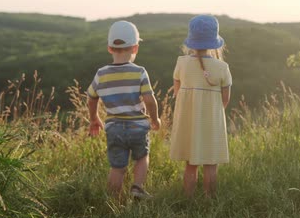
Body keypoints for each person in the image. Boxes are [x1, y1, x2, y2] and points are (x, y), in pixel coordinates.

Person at [86, 20, 161, 201]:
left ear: (110, 48)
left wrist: (94, 118)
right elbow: (150, 100)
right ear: (135, 48)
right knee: (142, 157)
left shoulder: (101, 73)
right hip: (137, 126)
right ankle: (137, 187)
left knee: (117, 167)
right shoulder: (140, 72)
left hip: (114, 128)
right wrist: (155, 118)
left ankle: (113, 200)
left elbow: (91, 98)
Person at [170, 15, 232, 197]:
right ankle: (209, 199)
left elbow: (177, 91)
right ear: (215, 42)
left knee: (190, 163)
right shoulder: (222, 67)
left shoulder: (181, 63)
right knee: (211, 163)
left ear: (191, 41)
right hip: (211, 121)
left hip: (188, 121)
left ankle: (189, 200)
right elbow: (225, 99)